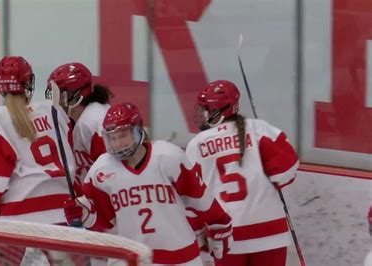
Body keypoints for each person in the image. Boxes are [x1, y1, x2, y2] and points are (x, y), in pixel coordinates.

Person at [64, 102, 233, 265]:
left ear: (138, 130)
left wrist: (220, 224)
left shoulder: (168, 157)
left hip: (177, 256)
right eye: (112, 138)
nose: (117, 143)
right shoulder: (100, 170)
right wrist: (84, 213)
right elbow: (106, 225)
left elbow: (199, 197)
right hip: (129, 257)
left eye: (122, 136)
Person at [0, 56, 76, 264]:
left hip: (19, 223)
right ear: (30, 83)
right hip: (64, 218)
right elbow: (72, 163)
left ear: (0, 87)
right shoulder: (53, 111)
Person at [185, 80, 299, 266]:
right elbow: (287, 169)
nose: (203, 114)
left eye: (207, 109)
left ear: (219, 110)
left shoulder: (197, 144)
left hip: (225, 236)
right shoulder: (259, 129)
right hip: (270, 232)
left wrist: (197, 231)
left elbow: (192, 196)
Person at [46, 62, 112, 189]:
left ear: (74, 95)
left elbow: (114, 170)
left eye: (60, 95)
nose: (56, 100)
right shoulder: (77, 120)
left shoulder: (94, 121)